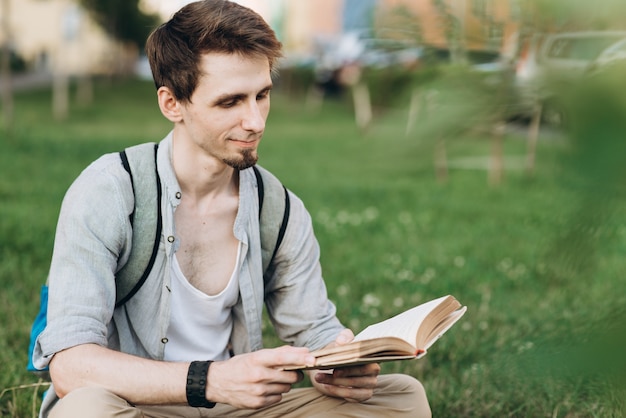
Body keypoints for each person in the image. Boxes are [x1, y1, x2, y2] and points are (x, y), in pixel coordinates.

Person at [32, 1, 431, 417]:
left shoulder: (278, 208)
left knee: (401, 396)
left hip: (233, 407)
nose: (256, 121)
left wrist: (337, 363)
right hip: (135, 402)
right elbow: (71, 365)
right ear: (172, 104)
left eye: (262, 95)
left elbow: (313, 328)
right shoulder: (111, 191)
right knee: (85, 411)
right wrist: (211, 379)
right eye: (231, 102)